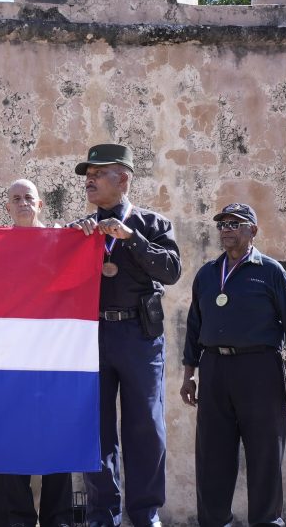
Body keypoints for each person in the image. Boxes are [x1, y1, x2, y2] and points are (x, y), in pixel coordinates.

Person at [181, 203, 286, 527]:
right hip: (214, 370)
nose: (226, 228)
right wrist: (189, 374)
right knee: (212, 456)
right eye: (223, 223)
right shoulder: (208, 274)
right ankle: (214, 522)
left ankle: (267, 522)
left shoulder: (269, 271)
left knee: (265, 455)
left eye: (235, 223)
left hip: (260, 371)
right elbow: (194, 326)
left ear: (252, 230)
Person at [70, 145, 180, 527]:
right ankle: (103, 513)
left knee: (146, 425)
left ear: (124, 179)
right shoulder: (80, 230)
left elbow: (171, 271)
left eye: (99, 172)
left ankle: (145, 511)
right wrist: (73, 242)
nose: (90, 179)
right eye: (88, 173)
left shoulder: (152, 224)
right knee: (96, 428)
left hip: (139, 335)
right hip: (94, 336)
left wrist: (130, 237)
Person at [0, 179, 72, 527]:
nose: (22, 203)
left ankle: (57, 519)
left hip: (54, 359)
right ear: (7, 207)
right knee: (9, 440)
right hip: (10, 359)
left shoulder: (62, 243)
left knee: (57, 439)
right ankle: (14, 518)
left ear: (41, 204)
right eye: (15, 198)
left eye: (28, 197)